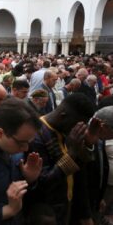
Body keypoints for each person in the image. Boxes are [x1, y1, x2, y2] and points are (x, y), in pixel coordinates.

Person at [25, 93, 98, 224]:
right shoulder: (36, 136)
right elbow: (43, 184)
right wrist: (71, 153)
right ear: (63, 115)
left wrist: (88, 144)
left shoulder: (65, 131)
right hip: (46, 215)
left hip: (66, 208)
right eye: (77, 123)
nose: (79, 128)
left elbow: (79, 173)